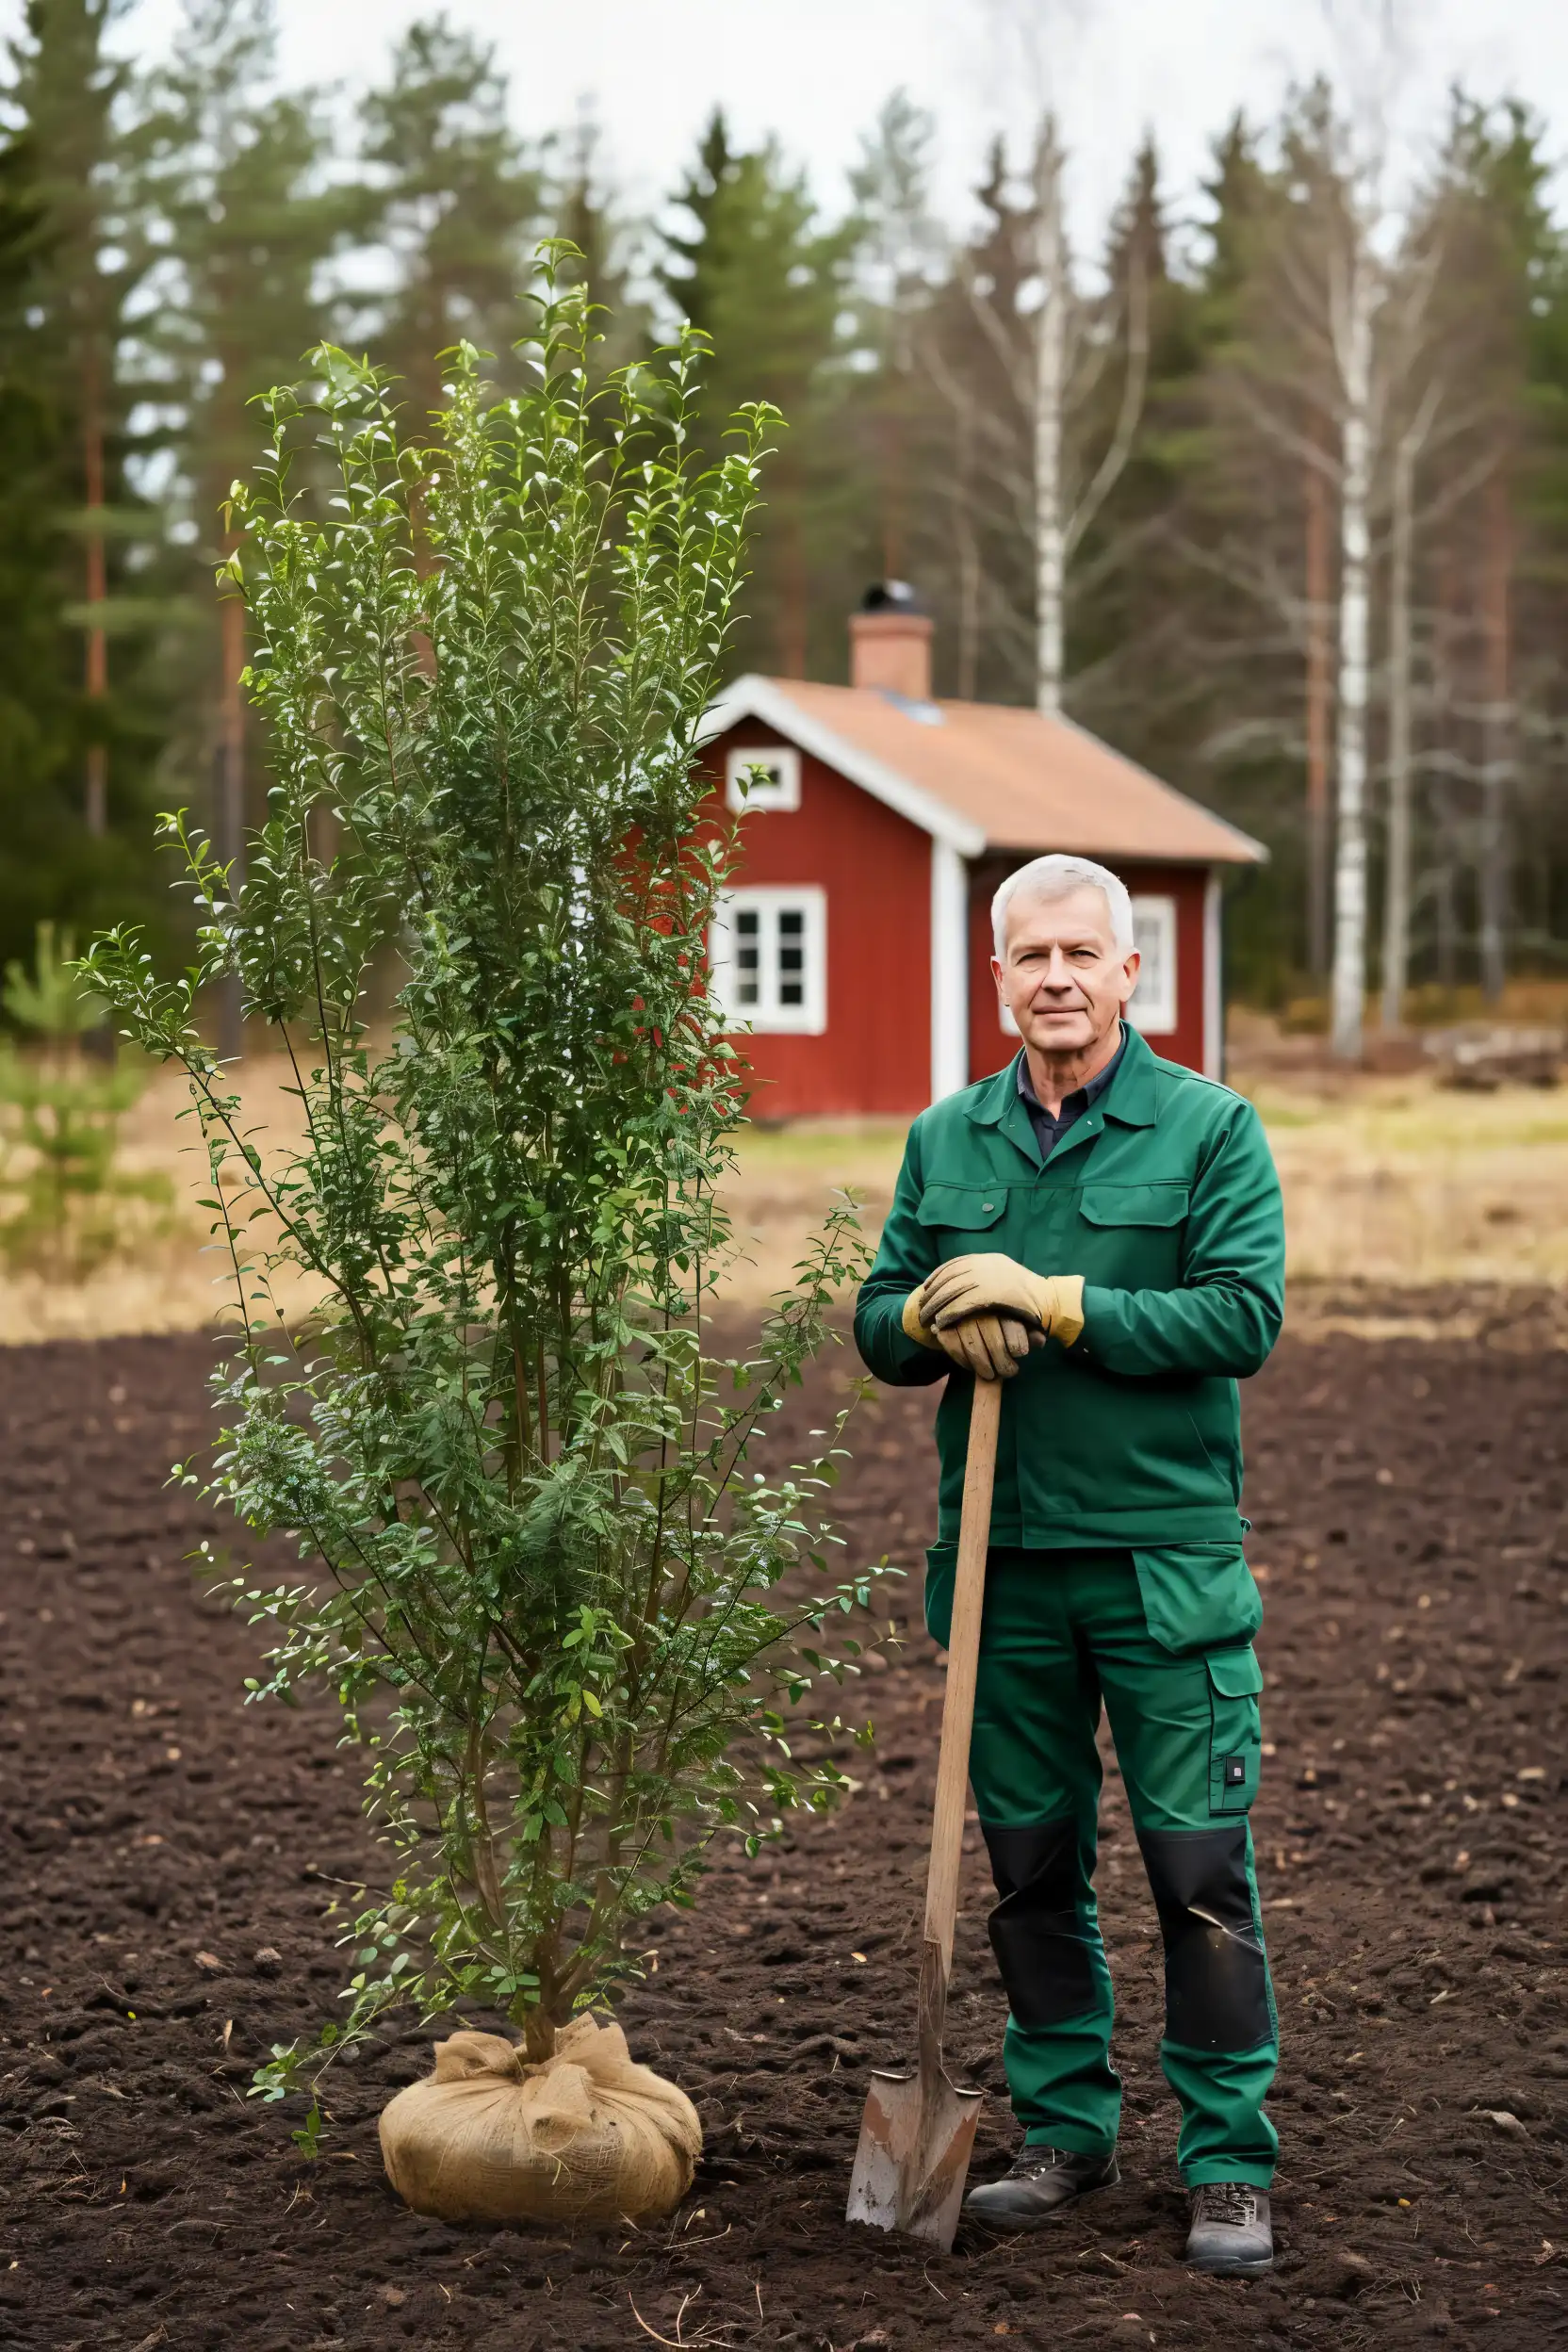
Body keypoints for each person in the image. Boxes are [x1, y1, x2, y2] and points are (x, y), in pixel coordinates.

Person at [854, 852, 1285, 2277]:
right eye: (1029, 957)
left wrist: (1060, 1303)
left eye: (1079, 956)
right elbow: (872, 1320)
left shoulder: (1210, 1132)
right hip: (1005, 1572)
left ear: (1127, 971)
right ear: (997, 978)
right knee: (1033, 1872)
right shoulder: (946, 1139)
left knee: (1198, 1874)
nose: (1055, 979)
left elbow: (1240, 1315)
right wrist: (926, 1319)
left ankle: (1226, 2162)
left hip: (1162, 1570)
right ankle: (1065, 2132)